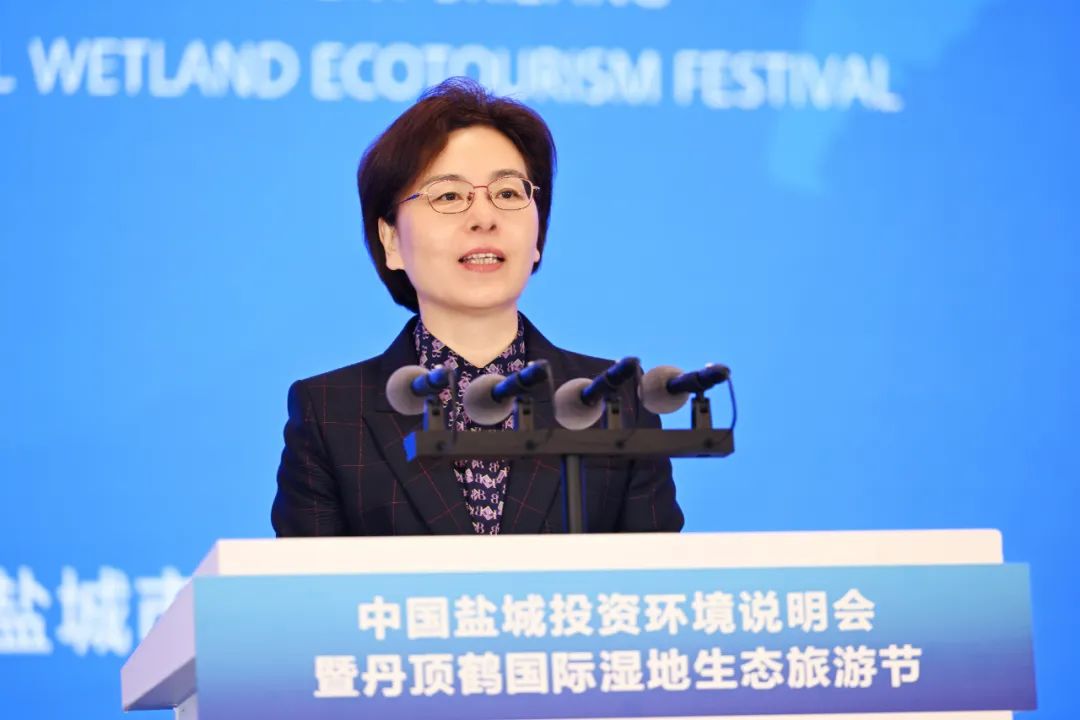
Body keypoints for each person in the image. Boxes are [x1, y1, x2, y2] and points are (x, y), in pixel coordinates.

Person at [272, 77, 683, 536]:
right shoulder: (331, 413)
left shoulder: (615, 402)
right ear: (392, 241)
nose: (484, 218)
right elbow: (304, 582)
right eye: (448, 196)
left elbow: (660, 576)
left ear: (537, 235)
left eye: (507, 193)